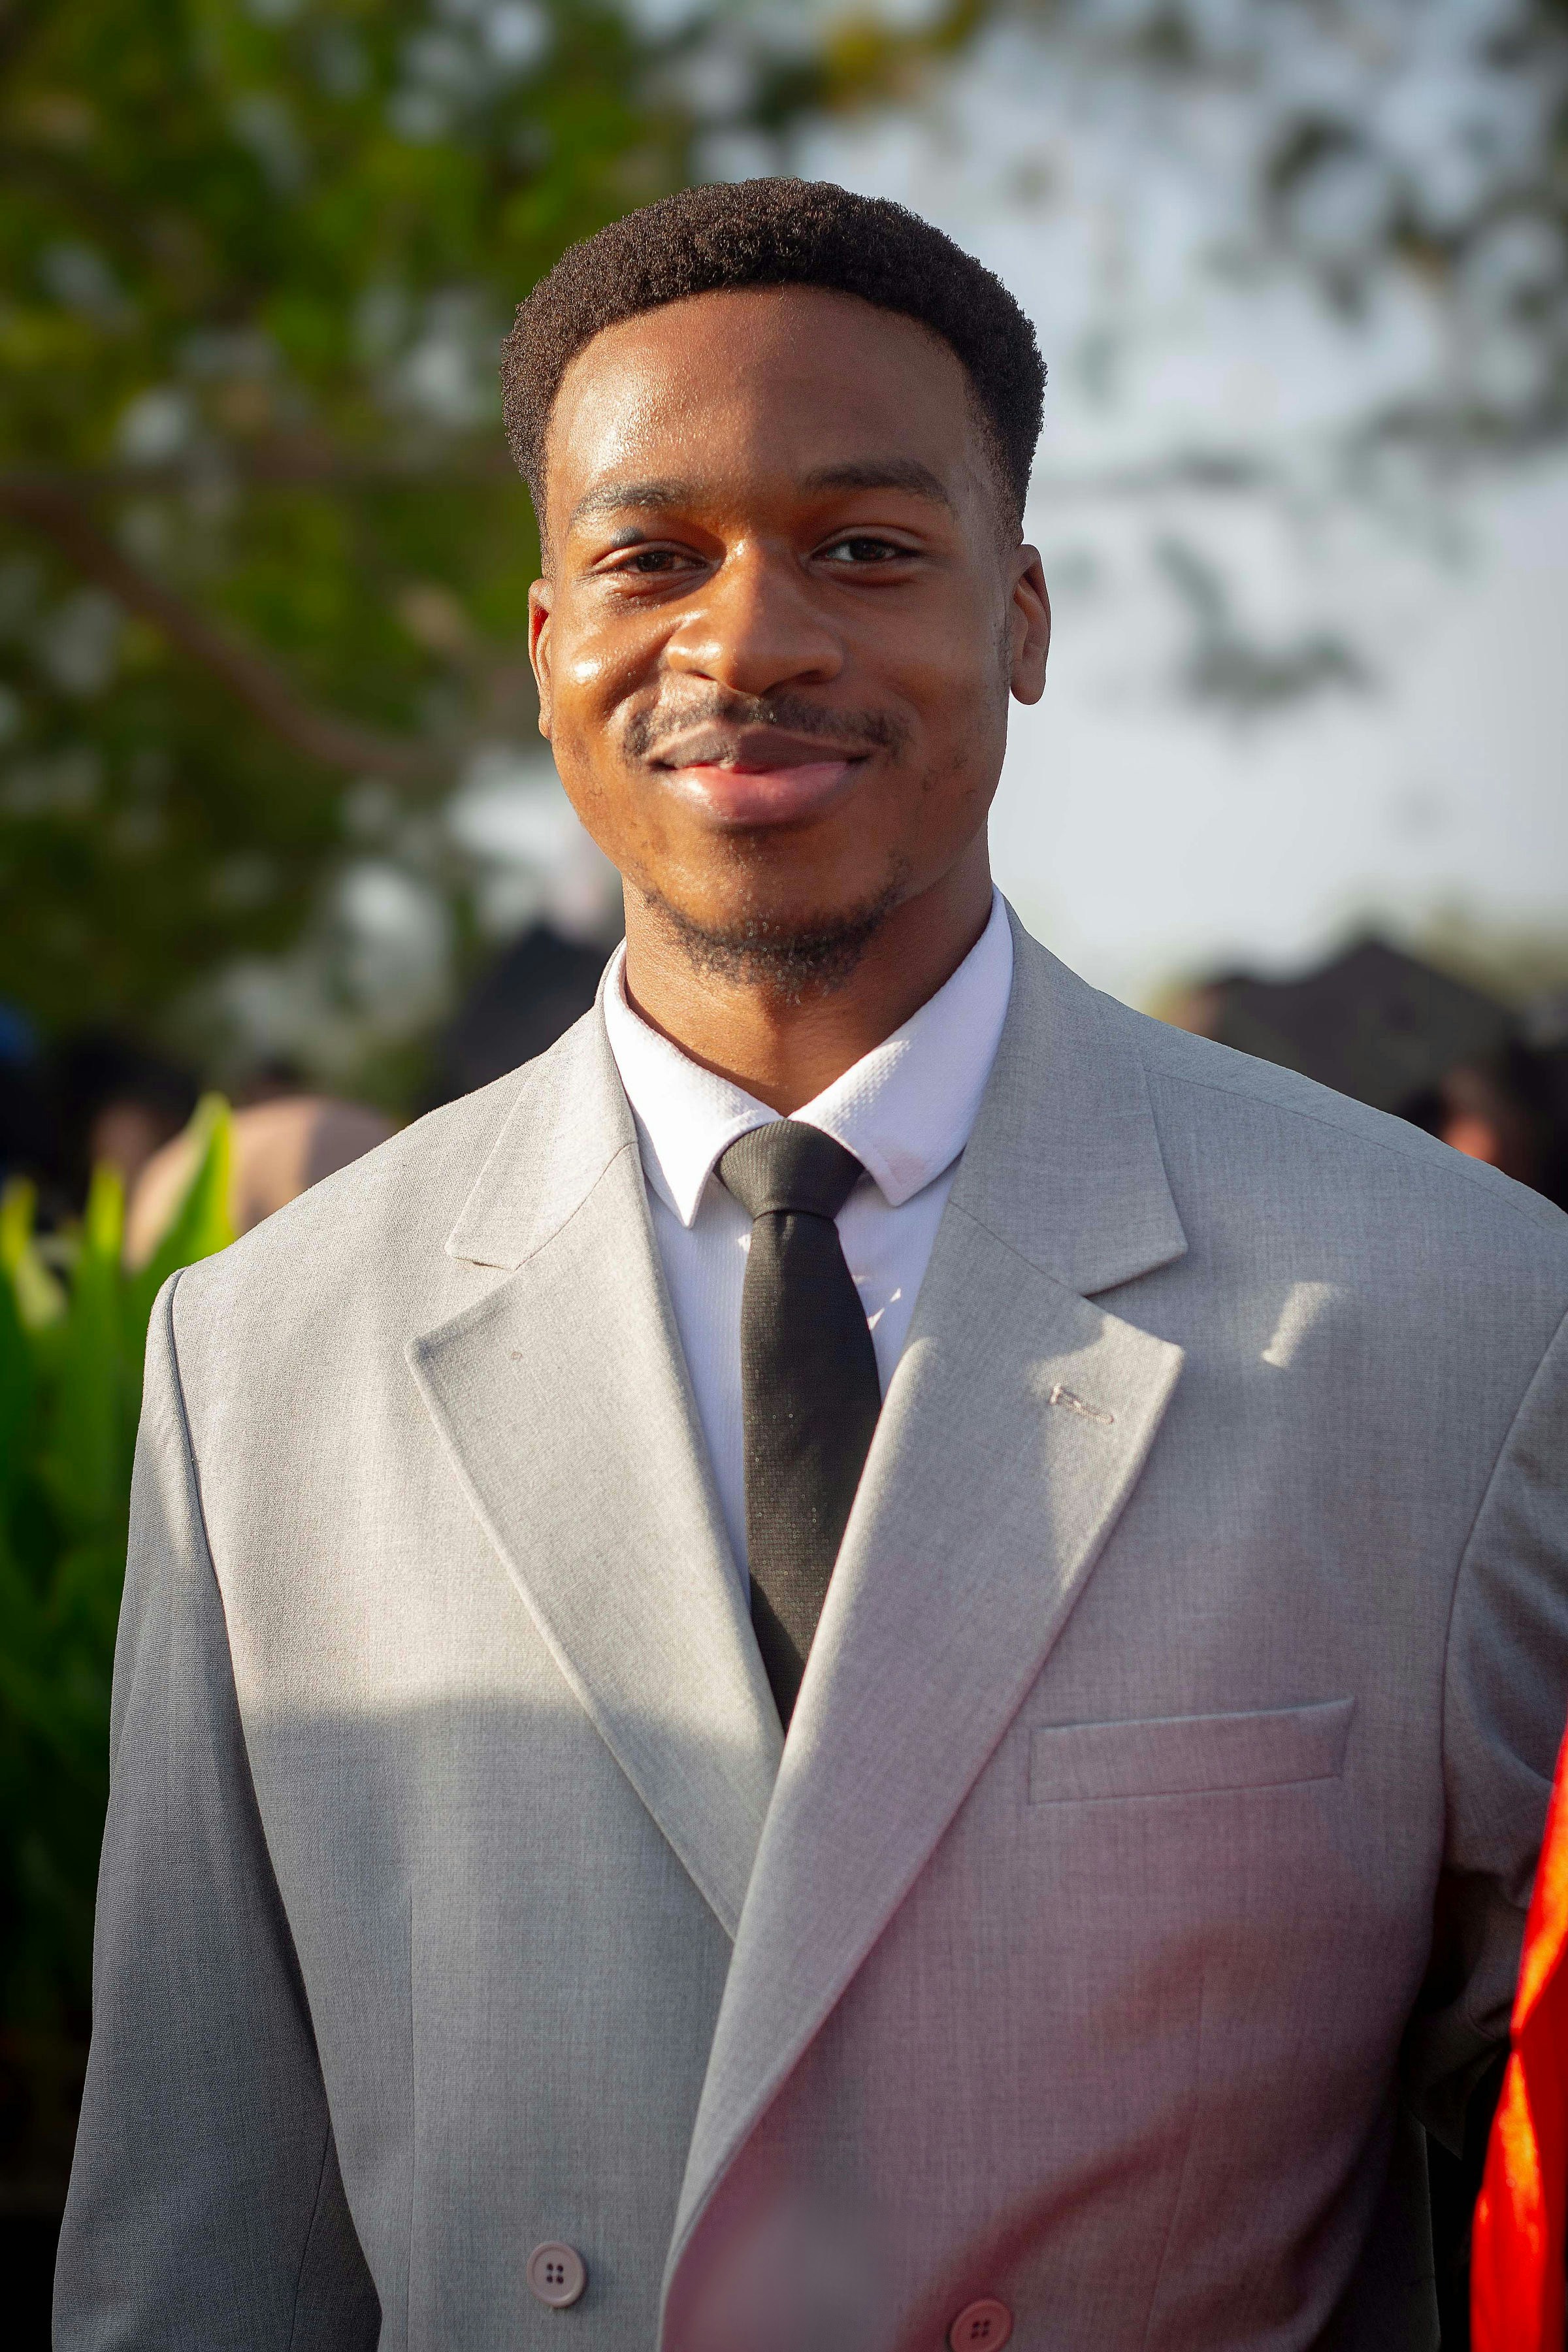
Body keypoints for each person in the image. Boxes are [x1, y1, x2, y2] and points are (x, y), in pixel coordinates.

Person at [54, 180, 1568, 2352]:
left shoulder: (1456, 1321)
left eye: (865, 548)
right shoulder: (274, 1348)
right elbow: (202, 2233)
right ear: (547, 647)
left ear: (1024, 615)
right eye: (650, 557)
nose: (746, 640)